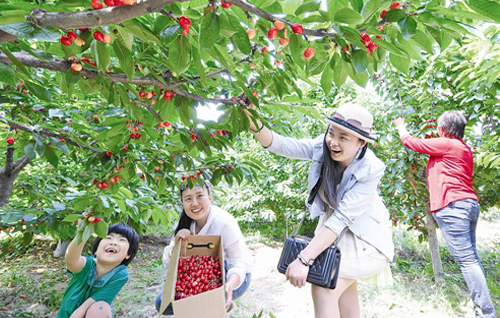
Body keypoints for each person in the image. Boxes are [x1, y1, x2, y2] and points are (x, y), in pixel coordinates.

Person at [244, 101, 394, 318]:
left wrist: (304, 259)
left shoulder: (370, 169)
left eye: (344, 137)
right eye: (331, 133)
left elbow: (342, 218)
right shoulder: (321, 148)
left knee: (324, 285)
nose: (333, 141)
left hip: (364, 241)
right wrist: (252, 119)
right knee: (342, 295)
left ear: (361, 143)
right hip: (337, 237)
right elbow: (280, 144)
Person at [392, 111, 496, 318]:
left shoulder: (448, 144)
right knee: (471, 258)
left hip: (454, 206)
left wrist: (400, 125)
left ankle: (486, 313)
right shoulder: (463, 148)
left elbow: (411, 142)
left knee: (467, 261)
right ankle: (482, 310)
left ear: (443, 129)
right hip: (467, 204)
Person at [156, 180, 251, 315]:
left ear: (210, 197)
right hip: (205, 269)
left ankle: (213, 304)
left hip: (236, 274)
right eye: (188, 199)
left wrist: (228, 287)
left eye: (199, 196)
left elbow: (239, 264)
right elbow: (167, 262)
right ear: (183, 204)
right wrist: (176, 246)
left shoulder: (224, 223)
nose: (194, 203)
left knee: (205, 301)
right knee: (161, 303)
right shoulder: (185, 222)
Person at [57, 222, 140, 318]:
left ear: (128, 254)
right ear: (96, 249)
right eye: (108, 237)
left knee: (100, 308)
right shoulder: (87, 265)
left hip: (94, 314)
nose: (113, 242)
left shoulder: (121, 274)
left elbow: (90, 303)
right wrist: (83, 233)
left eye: (122, 240)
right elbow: (71, 261)